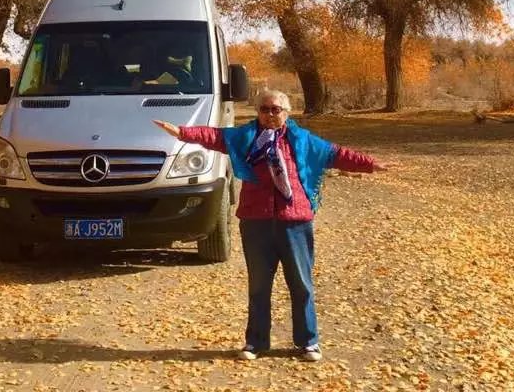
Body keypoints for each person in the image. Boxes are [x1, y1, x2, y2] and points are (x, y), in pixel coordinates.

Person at [152, 88, 390, 362]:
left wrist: (371, 164)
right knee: (259, 286)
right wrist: (181, 132)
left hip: (295, 223)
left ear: (286, 113)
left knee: (301, 285)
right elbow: (214, 136)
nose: (269, 114)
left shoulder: (302, 140)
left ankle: (308, 342)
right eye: (264, 109)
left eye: (275, 109)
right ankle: (255, 343)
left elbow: (336, 154)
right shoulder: (245, 137)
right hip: (257, 223)